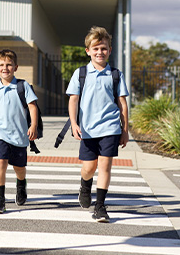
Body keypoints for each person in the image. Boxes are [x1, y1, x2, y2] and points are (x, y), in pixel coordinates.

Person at [65, 26, 129, 222]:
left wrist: (124, 129)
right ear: (88, 51)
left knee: (105, 166)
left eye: (103, 48)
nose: (100, 52)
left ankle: (100, 206)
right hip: (88, 128)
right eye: (96, 49)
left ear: (109, 50)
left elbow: (122, 103)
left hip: (110, 127)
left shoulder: (116, 75)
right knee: (89, 168)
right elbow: (73, 99)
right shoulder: (81, 73)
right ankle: (85, 185)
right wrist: (74, 123)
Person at [0, 49, 38, 214]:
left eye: (9, 65)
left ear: (15, 67)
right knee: (0, 163)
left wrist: (33, 125)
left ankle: (21, 184)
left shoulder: (22, 86)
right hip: (0, 134)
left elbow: (32, 106)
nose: (5, 68)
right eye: (1, 65)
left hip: (20, 135)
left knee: (19, 168)